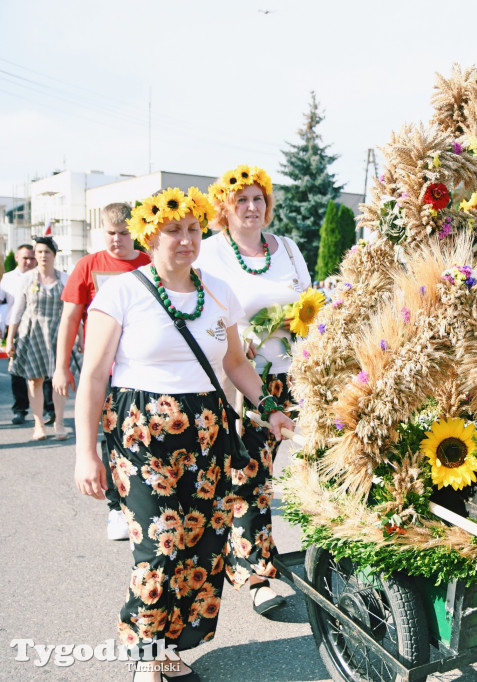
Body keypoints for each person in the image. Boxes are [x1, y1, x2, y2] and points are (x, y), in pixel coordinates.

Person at [73, 187, 293, 682]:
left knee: (201, 545)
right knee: (160, 544)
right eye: (174, 230)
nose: (186, 239)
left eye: (193, 229)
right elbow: (92, 376)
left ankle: (171, 646)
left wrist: (271, 408)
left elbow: (236, 362)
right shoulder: (122, 292)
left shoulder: (217, 290)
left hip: (208, 431)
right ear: (151, 235)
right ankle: (145, 652)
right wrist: (85, 453)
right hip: (141, 432)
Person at [194, 164, 310, 615]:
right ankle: (255, 571)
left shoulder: (289, 248)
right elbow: (203, 313)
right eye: (241, 199)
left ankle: (280, 555)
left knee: (307, 468)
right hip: (243, 380)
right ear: (224, 207)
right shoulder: (209, 253)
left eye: (258, 198)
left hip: (296, 376)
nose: (251, 207)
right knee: (252, 476)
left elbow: (309, 300)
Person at [55, 202, 150, 541]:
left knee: (144, 434)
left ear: (134, 233)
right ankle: (116, 507)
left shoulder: (149, 263)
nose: (116, 240)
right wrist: (61, 367)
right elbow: (69, 318)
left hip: (144, 367)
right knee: (111, 436)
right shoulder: (88, 265)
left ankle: (145, 498)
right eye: (110, 233)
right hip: (103, 369)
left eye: (124, 233)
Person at [6, 236, 74, 440]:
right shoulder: (27, 279)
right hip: (32, 332)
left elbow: (73, 310)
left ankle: (59, 423)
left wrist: (78, 336)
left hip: (57, 332)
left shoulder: (64, 279)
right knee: (35, 380)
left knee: (59, 379)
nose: (43, 255)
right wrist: (10, 339)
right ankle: (38, 425)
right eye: (39, 252)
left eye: (47, 252)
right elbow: (17, 311)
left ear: (54, 255)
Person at [1, 244, 54, 425]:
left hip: (37, 328)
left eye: (32, 257)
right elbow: (4, 305)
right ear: (16, 258)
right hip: (14, 328)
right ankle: (20, 409)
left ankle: (49, 409)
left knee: (45, 371)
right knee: (17, 373)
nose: (29, 261)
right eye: (25, 258)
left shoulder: (43, 276)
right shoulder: (7, 279)